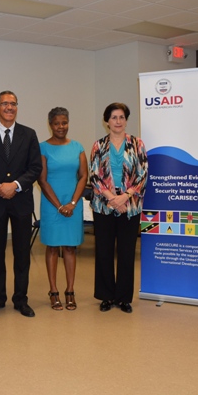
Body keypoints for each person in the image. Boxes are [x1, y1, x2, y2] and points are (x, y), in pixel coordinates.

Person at [0, 91, 42, 318]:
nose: (9, 107)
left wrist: (14, 185)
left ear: (17, 107)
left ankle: (21, 299)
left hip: (21, 202)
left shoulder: (29, 134)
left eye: (13, 104)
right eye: (4, 104)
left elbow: (35, 168)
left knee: (22, 252)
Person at [89, 102, 148, 314]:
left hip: (130, 206)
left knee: (126, 252)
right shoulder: (98, 145)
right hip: (104, 206)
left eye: (122, 117)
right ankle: (106, 296)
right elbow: (94, 176)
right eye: (114, 117)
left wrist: (124, 197)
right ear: (107, 121)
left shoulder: (137, 144)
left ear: (126, 120)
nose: (118, 121)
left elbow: (142, 175)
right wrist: (112, 198)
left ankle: (123, 298)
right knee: (104, 252)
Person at [37, 107, 87, 311]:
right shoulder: (42, 148)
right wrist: (59, 206)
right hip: (52, 205)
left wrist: (73, 203)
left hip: (73, 204)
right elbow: (42, 179)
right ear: (50, 124)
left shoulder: (78, 147)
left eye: (64, 122)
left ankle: (70, 291)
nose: (61, 127)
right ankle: (54, 291)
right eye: (57, 123)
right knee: (52, 247)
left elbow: (84, 176)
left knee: (69, 247)